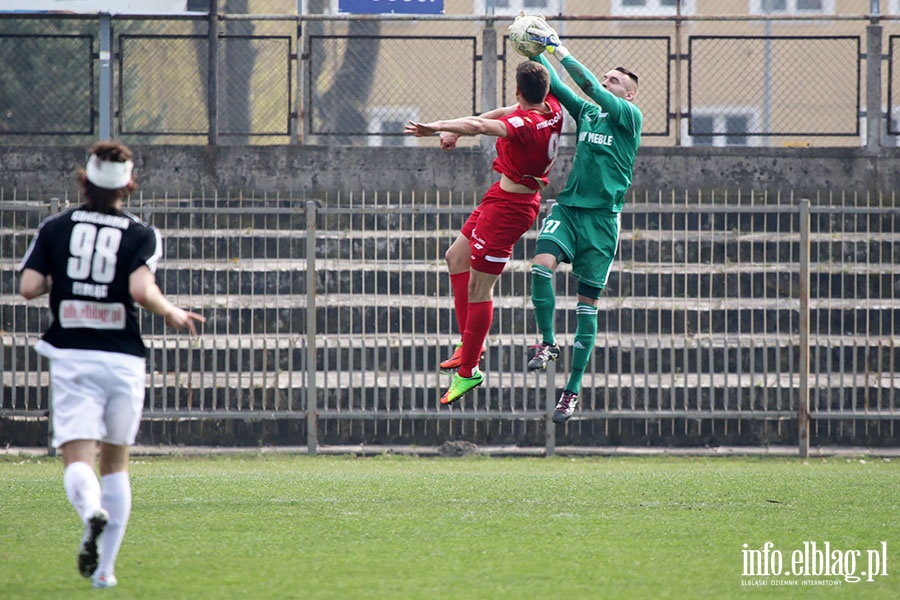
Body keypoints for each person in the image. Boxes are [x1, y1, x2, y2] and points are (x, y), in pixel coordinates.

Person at [18, 140, 205, 589]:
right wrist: (172, 312)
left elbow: (28, 286)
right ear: (129, 185)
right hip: (122, 357)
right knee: (117, 463)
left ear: (84, 180)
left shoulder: (56, 227)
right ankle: (105, 571)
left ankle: (90, 511)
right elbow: (142, 291)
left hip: (73, 354)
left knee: (77, 456)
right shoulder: (141, 233)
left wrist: (62, 278)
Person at [405, 60, 564, 405]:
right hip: (500, 197)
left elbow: (484, 124)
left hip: (511, 210)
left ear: (519, 90)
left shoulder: (526, 125)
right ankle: (468, 343)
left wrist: (435, 127)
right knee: (455, 257)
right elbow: (494, 117)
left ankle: (470, 370)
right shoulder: (551, 106)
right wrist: (458, 131)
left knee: (480, 287)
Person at [524, 20, 643, 423]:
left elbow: (586, 85)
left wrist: (560, 48)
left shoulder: (629, 117)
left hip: (602, 224)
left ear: (628, 93)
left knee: (586, 309)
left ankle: (571, 391)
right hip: (570, 211)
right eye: (606, 77)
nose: (605, 81)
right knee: (540, 268)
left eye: (614, 80)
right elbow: (557, 86)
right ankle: (546, 343)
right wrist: (532, 46)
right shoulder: (590, 113)